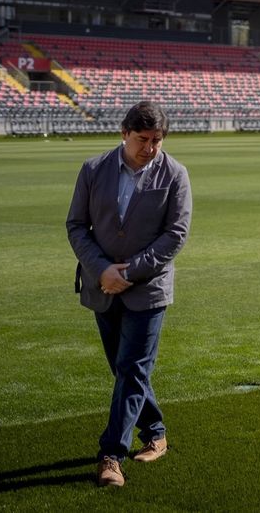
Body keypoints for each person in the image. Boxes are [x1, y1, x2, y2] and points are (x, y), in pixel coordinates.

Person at [67, 101, 193, 487]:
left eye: (156, 140)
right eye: (143, 139)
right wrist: (102, 269)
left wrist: (131, 272)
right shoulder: (93, 169)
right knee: (124, 370)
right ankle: (155, 430)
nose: (150, 148)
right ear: (124, 133)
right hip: (101, 285)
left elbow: (176, 234)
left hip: (148, 290)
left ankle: (111, 455)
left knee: (133, 369)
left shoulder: (175, 175)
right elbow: (76, 225)